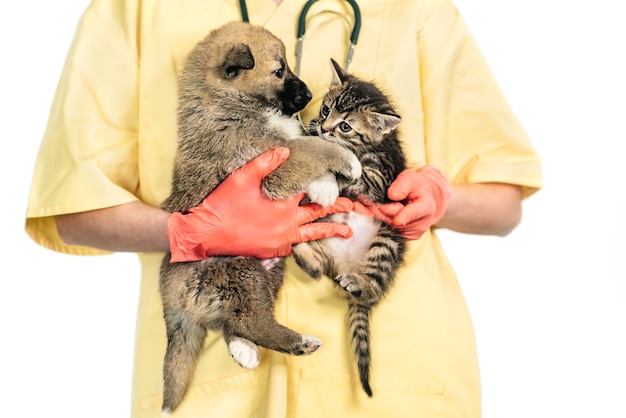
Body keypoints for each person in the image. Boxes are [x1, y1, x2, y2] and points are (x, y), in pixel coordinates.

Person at [25, 0, 542, 417]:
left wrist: (442, 197)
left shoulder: (417, 11)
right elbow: (75, 210)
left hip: (397, 373)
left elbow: (503, 204)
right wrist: (192, 231)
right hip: (219, 375)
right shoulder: (133, 11)